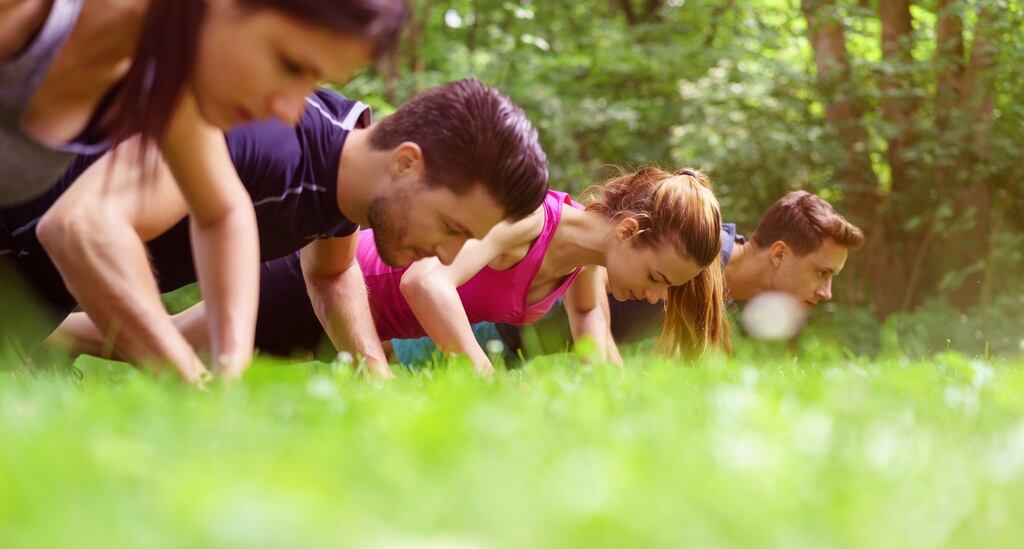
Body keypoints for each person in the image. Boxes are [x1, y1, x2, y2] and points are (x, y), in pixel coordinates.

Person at [0, 0, 405, 380]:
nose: (287, 110)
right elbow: (79, 226)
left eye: (312, 81)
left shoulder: (170, 80)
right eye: (290, 64)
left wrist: (227, 379)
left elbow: (222, 212)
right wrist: (186, 376)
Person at [42, 79, 549, 377]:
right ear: (406, 164)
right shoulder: (271, 139)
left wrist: (373, 372)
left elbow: (332, 273)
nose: (448, 256)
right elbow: (86, 226)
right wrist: (190, 379)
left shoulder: (347, 177)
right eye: (450, 226)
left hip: (39, 302)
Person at [127, 167, 731, 374]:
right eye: (658, 280)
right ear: (628, 231)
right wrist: (481, 376)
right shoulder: (528, 220)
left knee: (162, 347)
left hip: (353, 330)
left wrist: (614, 404)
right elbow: (424, 281)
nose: (656, 299)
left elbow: (592, 328)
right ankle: (68, 314)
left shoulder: (588, 263)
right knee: (150, 343)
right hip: (329, 286)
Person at [474, 189, 866, 355]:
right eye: (821, 272)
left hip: (516, 353)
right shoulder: (691, 255)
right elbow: (593, 273)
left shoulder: (717, 287)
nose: (826, 292)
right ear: (779, 254)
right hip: (487, 327)